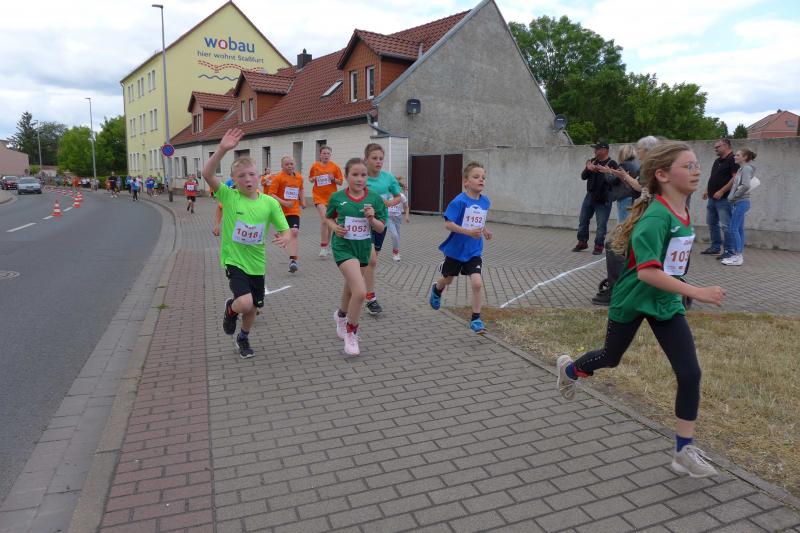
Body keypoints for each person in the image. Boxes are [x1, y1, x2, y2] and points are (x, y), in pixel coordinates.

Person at [557, 141, 726, 478]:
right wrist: (697, 292)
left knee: (690, 373)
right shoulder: (656, 218)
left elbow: (670, 266)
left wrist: (681, 290)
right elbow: (648, 272)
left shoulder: (683, 213)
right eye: (688, 166)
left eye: (697, 165)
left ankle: (683, 451)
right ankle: (570, 370)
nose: (697, 171)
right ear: (662, 175)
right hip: (633, 298)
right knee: (611, 357)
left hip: (664, 302)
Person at [201, 128, 291, 359]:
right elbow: (207, 173)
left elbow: (285, 229)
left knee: (253, 308)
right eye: (241, 176)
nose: (247, 179)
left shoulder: (269, 203)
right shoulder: (229, 196)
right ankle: (230, 310)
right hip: (234, 260)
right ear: (234, 180)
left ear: (259, 176)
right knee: (244, 302)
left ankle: (243, 337)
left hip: (257, 264)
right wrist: (222, 149)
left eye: (251, 174)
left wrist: (286, 237)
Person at [325, 158, 388, 355]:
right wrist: (335, 227)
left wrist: (372, 218)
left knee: (350, 289)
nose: (359, 179)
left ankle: (341, 315)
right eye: (355, 174)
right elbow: (328, 217)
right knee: (360, 292)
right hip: (343, 247)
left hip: (363, 249)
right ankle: (351, 332)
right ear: (346, 176)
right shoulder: (337, 197)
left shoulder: (375, 199)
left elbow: (381, 227)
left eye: (363, 175)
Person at [591, 136, 657, 306]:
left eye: (640, 149)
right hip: (645, 215)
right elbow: (641, 187)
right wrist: (622, 175)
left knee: (614, 245)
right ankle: (621, 284)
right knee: (616, 243)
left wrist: (619, 175)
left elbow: (642, 189)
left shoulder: (650, 168)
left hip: (646, 217)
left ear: (647, 151)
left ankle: (618, 289)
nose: (638, 152)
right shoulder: (648, 166)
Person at [429, 162, 493, 334]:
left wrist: (485, 230)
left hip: (474, 251)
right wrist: (468, 232)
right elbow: (448, 224)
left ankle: (476, 319)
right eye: (476, 177)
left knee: (477, 283)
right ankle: (437, 289)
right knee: (448, 279)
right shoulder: (459, 202)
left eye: (483, 177)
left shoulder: (485, 201)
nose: (481, 180)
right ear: (466, 181)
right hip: (456, 251)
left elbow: (479, 221)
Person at [363, 143, 403, 315]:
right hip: (363, 224)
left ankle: (359, 284)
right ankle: (370, 298)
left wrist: (388, 203)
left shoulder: (388, 178)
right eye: (374, 158)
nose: (378, 161)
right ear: (366, 159)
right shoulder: (361, 177)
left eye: (381, 158)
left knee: (370, 262)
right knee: (371, 260)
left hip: (381, 224)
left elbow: (398, 197)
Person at [573, 141, 619, 255]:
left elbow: (615, 181)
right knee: (583, 219)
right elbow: (583, 177)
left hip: (604, 197)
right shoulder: (593, 161)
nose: (595, 151)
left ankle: (599, 245)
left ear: (604, 150)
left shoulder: (612, 163)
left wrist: (603, 171)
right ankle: (582, 242)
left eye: (597, 149)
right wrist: (588, 168)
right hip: (590, 195)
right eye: (595, 149)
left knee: (601, 223)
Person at [701, 138, 739, 260]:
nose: (715, 149)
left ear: (726, 146)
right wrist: (706, 190)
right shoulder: (717, 161)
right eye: (715, 147)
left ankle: (729, 250)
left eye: (717, 147)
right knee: (712, 223)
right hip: (712, 198)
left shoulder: (733, 160)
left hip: (724, 199)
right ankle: (715, 247)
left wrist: (722, 191)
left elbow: (735, 179)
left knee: (726, 225)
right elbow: (712, 177)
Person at [268, 157, 305, 273]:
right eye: (287, 164)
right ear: (282, 166)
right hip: (280, 211)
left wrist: (303, 201)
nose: (290, 166)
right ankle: (281, 236)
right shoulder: (278, 178)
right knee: (286, 235)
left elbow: (301, 189)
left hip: (294, 210)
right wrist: (284, 203)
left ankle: (293, 260)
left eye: (291, 164)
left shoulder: (299, 177)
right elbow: (271, 194)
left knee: (294, 232)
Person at [308, 145, 344, 258]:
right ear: (320, 154)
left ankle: (327, 245)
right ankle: (323, 247)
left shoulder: (335, 167)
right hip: (318, 196)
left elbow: (340, 182)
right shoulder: (315, 166)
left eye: (328, 153)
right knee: (325, 220)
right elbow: (310, 178)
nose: (326, 155)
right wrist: (313, 178)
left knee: (330, 223)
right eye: (324, 153)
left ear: (330, 155)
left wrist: (333, 179)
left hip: (332, 198)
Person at [722, 148, 756, 266]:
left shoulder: (746, 168)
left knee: (733, 229)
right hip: (740, 202)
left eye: (737, 155)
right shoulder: (742, 169)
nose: (734, 157)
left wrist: (734, 197)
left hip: (741, 202)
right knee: (739, 230)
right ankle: (738, 255)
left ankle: (737, 257)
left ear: (745, 157)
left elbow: (746, 185)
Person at [387, 176, 410, 261]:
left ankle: (396, 250)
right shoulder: (388, 195)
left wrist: (406, 216)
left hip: (398, 218)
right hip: (389, 217)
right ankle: (395, 253)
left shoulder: (402, 196)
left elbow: (406, 207)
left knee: (397, 237)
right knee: (395, 235)